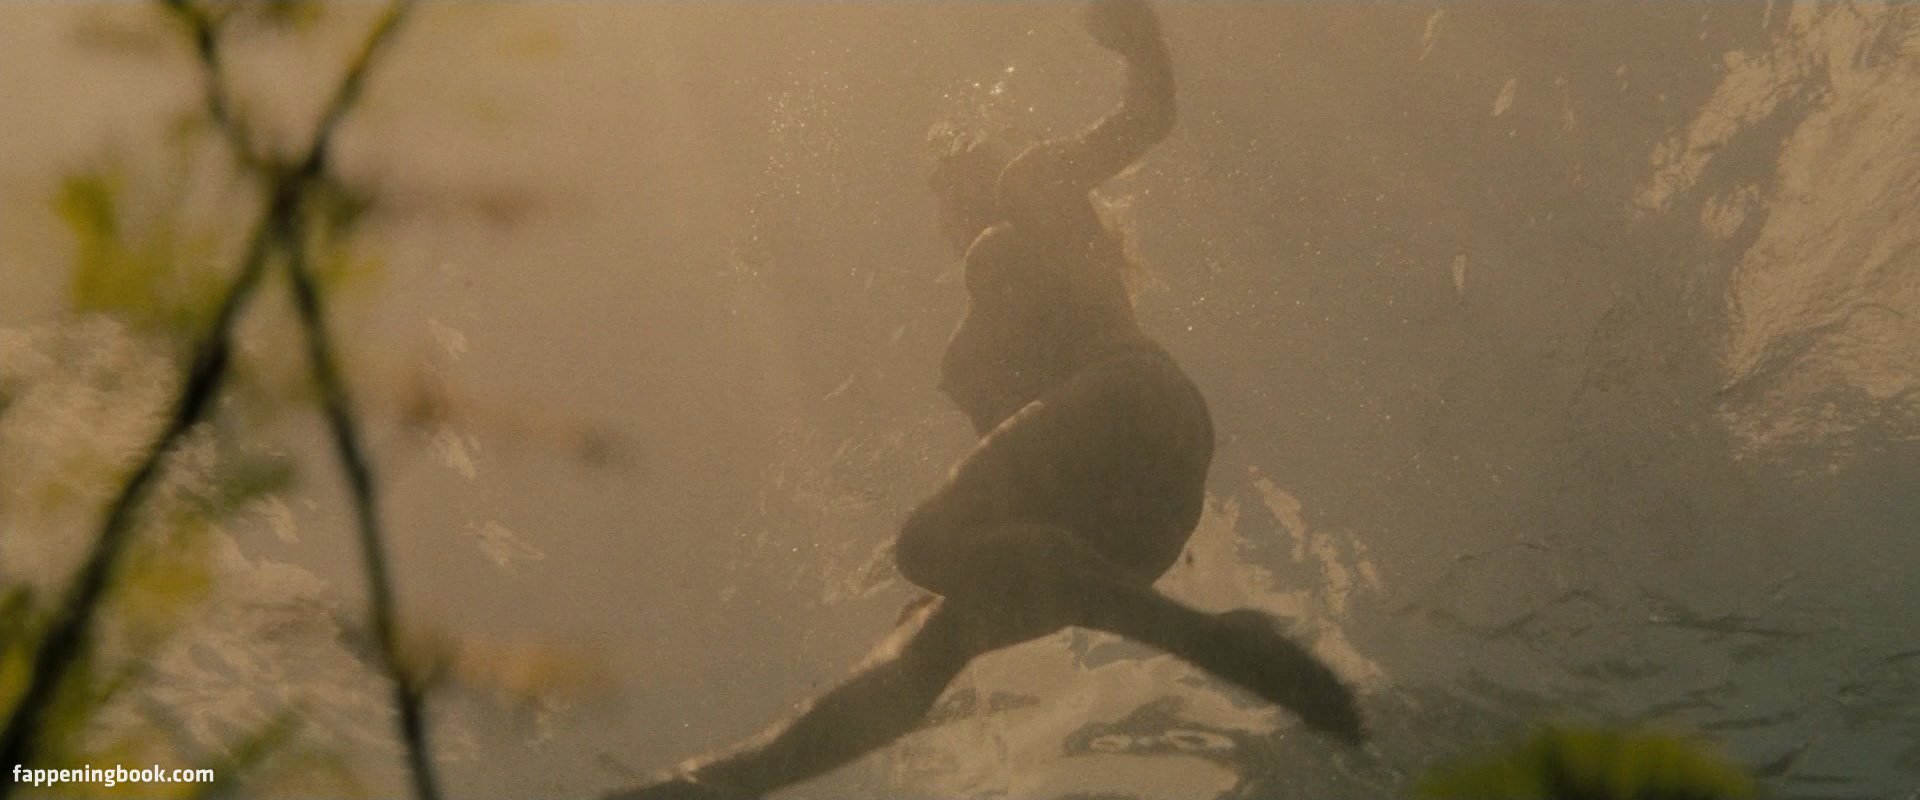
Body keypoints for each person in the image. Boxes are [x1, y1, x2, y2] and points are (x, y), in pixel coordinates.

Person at [608, 3, 1361, 797]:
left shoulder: (1033, 185)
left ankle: (1181, 629)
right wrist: (960, 585)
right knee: (932, 637)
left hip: (1130, 402)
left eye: (946, 186)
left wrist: (1139, 40)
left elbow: (1149, 116)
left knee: (925, 548)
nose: (941, 210)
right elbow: (1017, 490)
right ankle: (724, 781)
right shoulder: (1000, 312)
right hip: (1147, 513)